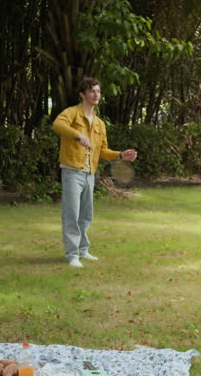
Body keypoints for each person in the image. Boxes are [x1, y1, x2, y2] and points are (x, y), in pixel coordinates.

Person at [52, 77, 138, 268]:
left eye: (98, 91)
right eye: (92, 91)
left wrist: (121, 155)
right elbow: (57, 124)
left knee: (86, 215)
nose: (96, 94)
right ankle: (72, 255)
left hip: (90, 174)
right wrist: (78, 135)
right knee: (71, 214)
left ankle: (83, 250)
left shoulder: (99, 123)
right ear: (82, 94)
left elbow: (103, 151)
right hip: (72, 171)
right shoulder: (72, 113)